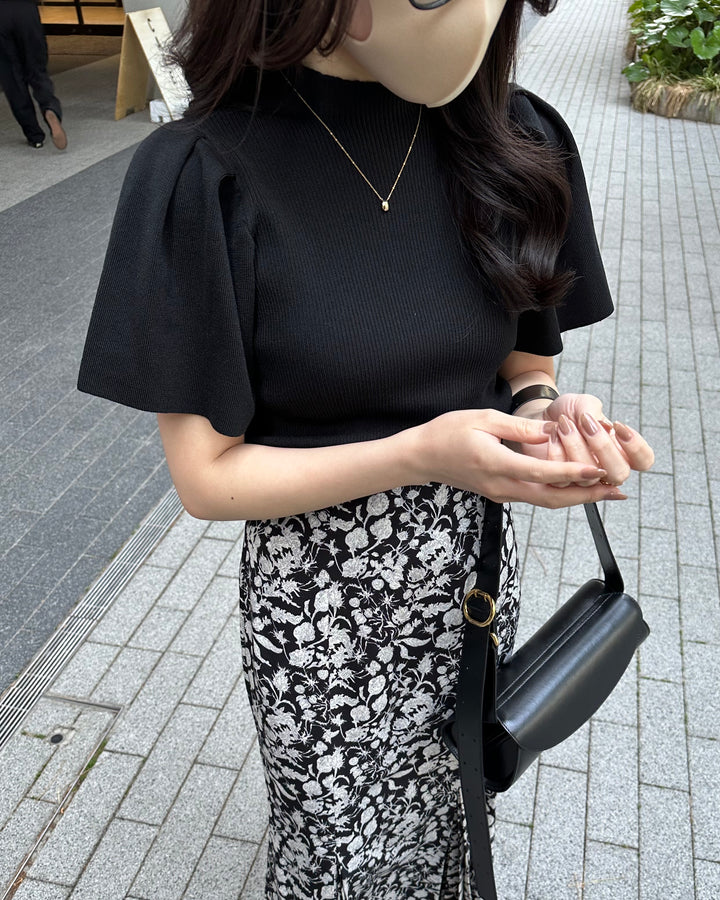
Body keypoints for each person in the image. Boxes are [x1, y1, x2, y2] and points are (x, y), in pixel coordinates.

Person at [77, 0, 654, 896]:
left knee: (457, 812)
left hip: (471, 579)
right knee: (336, 854)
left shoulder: (509, 134)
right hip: (319, 614)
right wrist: (421, 454)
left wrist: (549, 418)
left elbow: (525, 357)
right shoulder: (208, 172)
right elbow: (205, 479)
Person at [0, 0, 67, 149]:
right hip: (26, 10)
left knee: (12, 79)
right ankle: (50, 108)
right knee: (37, 70)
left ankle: (35, 136)